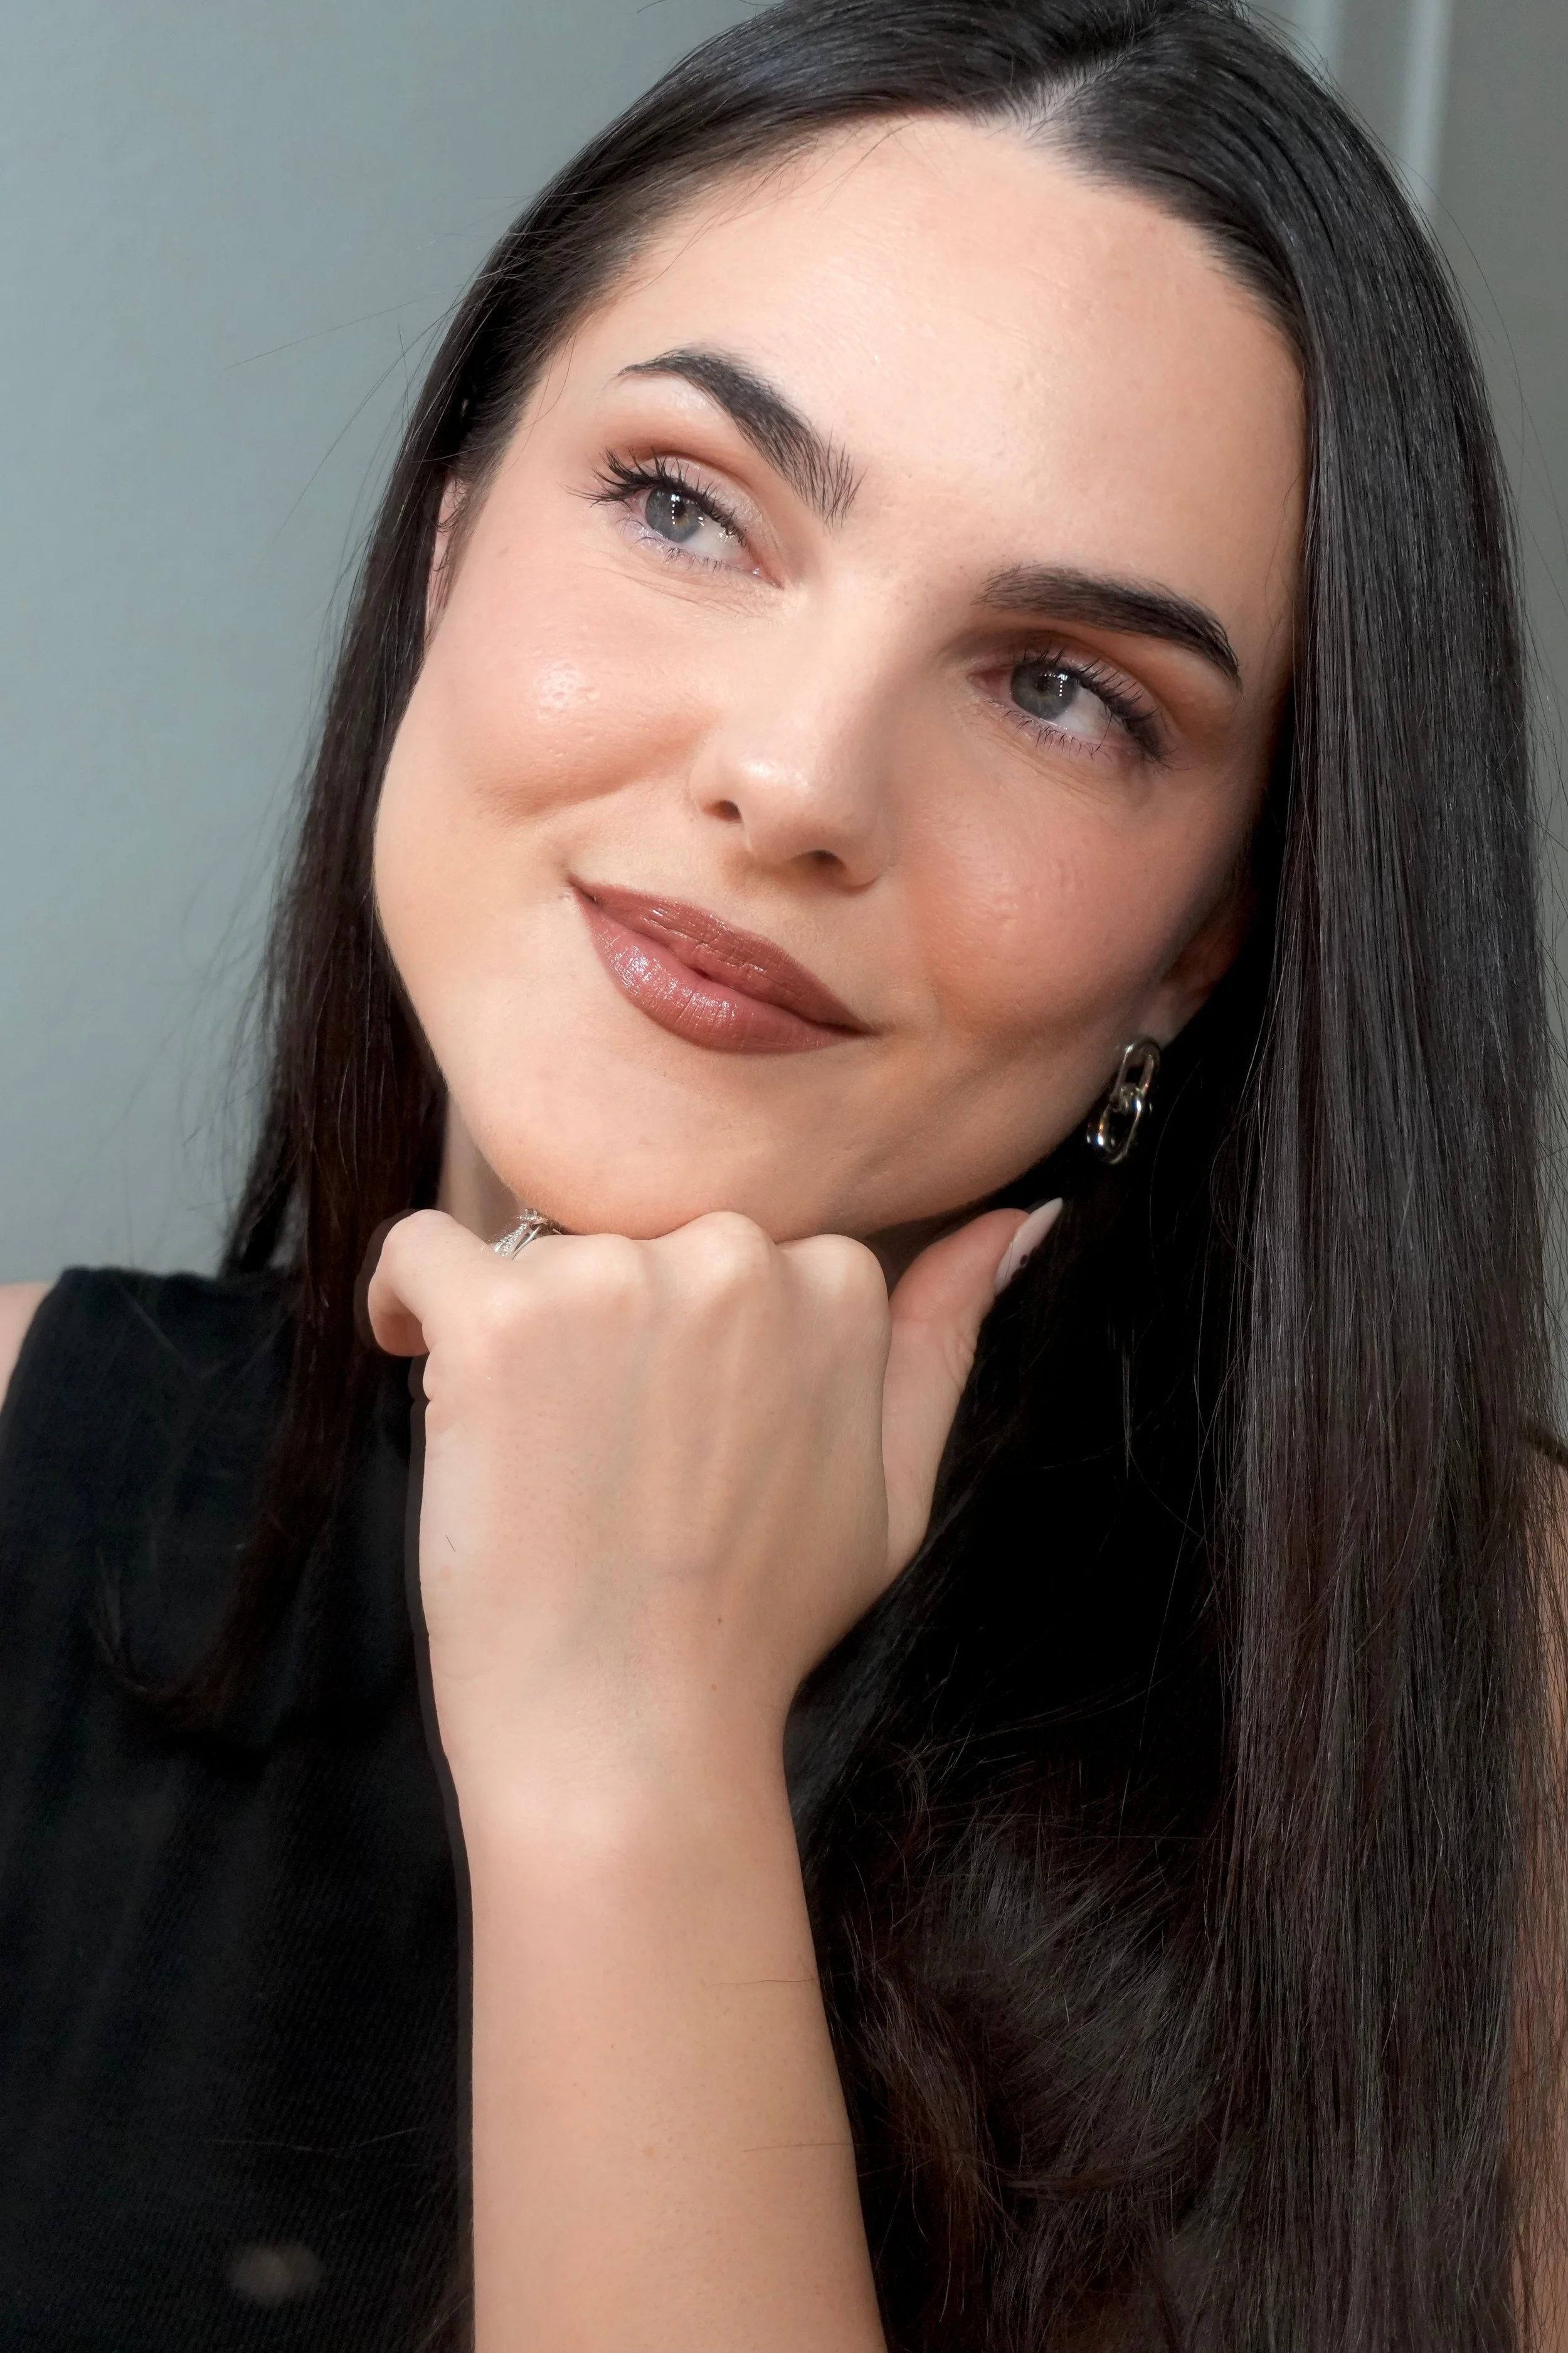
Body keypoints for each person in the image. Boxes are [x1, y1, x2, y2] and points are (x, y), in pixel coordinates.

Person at [0, 0, 1560, 2345]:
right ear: (448, 546)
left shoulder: (1486, 1708)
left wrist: (630, 1756)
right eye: (683, 505)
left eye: (1061, 687)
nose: (798, 776)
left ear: (1203, 935)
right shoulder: (25, 1465)